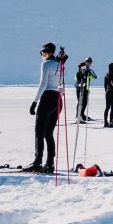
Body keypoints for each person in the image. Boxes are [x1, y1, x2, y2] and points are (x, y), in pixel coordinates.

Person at [27, 42, 65, 173]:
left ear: (46, 52)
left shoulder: (46, 64)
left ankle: (37, 162)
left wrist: (34, 102)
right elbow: (61, 84)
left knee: (39, 132)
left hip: (47, 98)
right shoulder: (60, 64)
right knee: (49, 133)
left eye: (42, 52)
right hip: (58, 100)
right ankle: (50, 164)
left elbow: (43, 84)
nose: (41, 55)